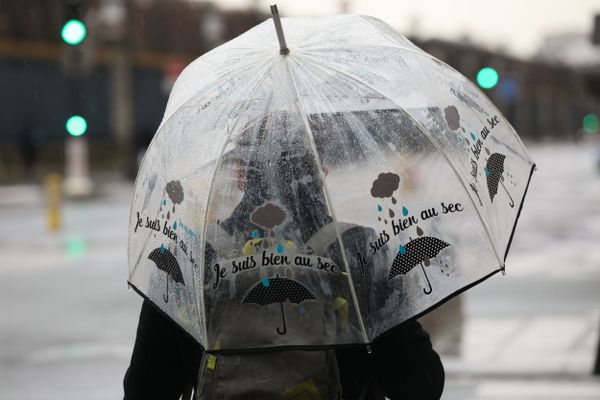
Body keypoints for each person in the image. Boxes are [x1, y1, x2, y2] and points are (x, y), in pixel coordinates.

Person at [124, 119, 444, 400]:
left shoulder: (190, 257)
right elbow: (419, 385)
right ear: (321, 172)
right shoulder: (357, 250)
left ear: (240, 175)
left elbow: (145, 388)